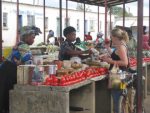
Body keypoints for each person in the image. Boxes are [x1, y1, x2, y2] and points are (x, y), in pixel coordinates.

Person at [0, 26, 41, 113]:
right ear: (26, 36)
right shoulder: (24, 46)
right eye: (32, 37)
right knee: (7, 93)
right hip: (10, 71)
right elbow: (29, 64)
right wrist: (38, 77)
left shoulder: (20, 44)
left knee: (4, 92)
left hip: (5, 69)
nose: (33, 40)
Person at [101, 28, 129, 113]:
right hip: (119, 74)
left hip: (118, 75)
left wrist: (110, 61)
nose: (110, 38)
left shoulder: (120, 47)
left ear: (115, 37)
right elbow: (116, 55)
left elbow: (125, 62)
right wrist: (108, 48)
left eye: (111, 36)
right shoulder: (121, 44)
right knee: (119, 98)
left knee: (117, 99)